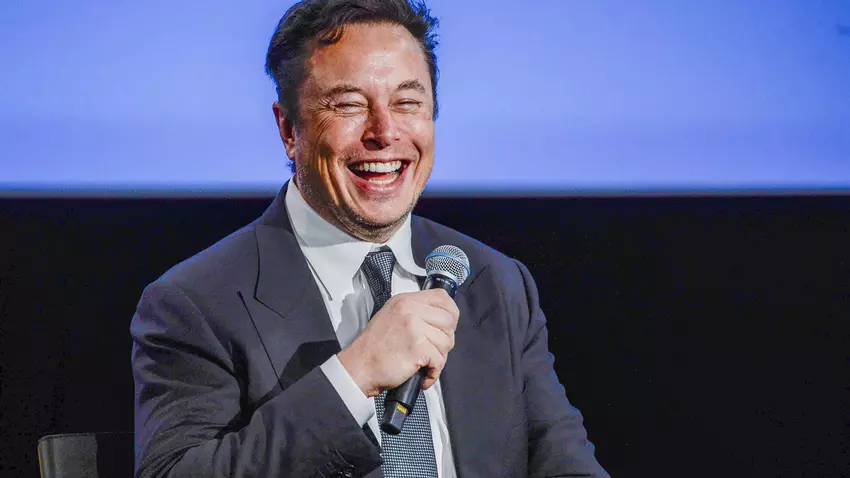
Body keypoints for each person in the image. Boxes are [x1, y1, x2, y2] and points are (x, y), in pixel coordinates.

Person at [130, 0, 610, 476]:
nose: (384, 131)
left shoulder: (497, 283)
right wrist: (353, 376)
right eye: (349, 104)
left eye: (407, 103)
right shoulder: (196, 304)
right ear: (288, 130)